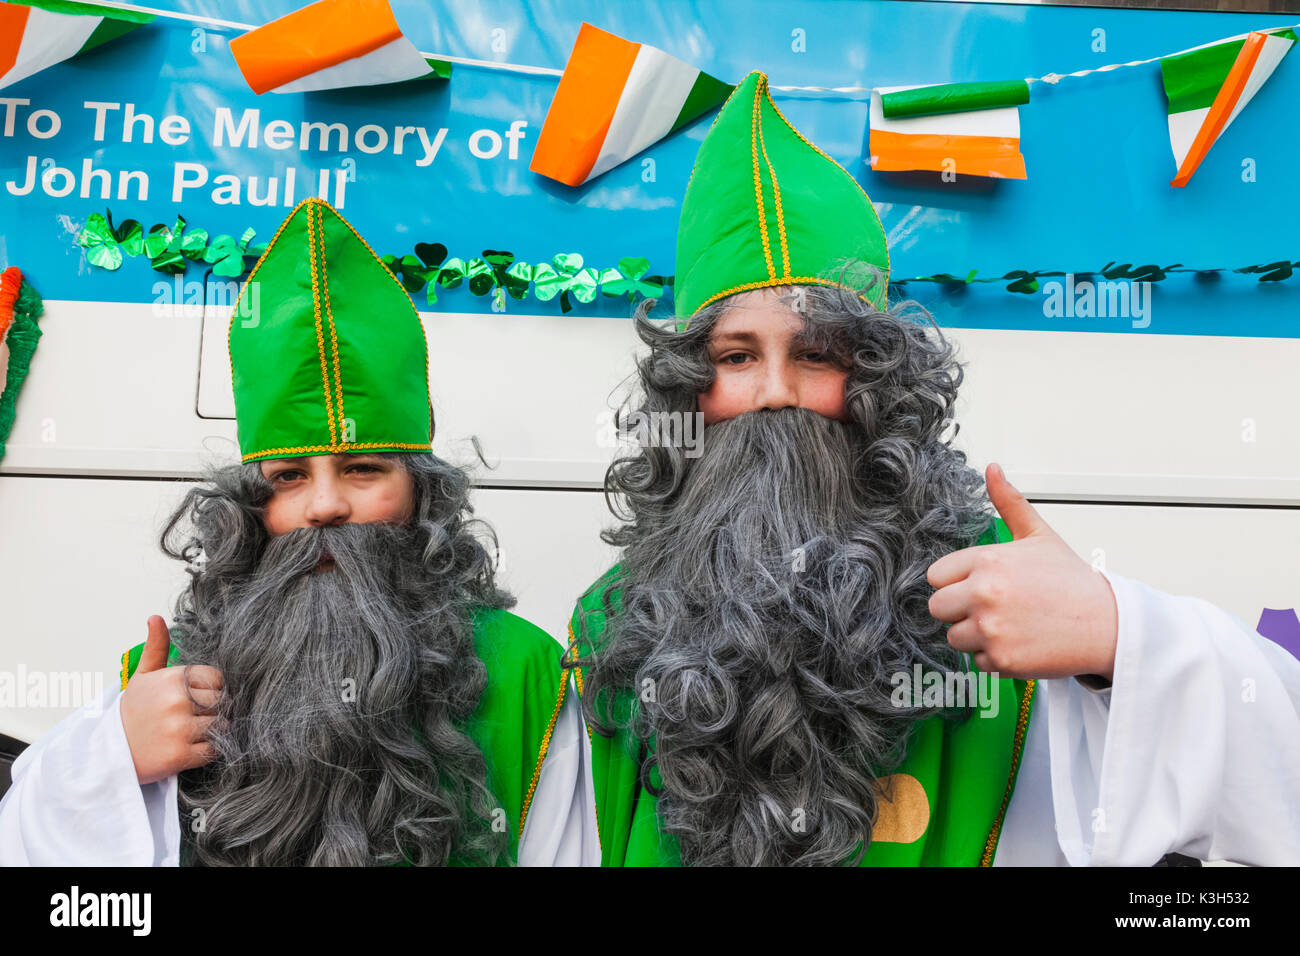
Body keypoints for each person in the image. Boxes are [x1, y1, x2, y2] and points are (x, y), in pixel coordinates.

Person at [566, 71, 1300, 866]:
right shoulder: (613, 621)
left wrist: (1113, 635)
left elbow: (1268, 772)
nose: (776, 392)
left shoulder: (995, 589)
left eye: (815, 355)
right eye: (737, 357)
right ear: (689, 388)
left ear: (876, 381)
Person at [0, 197, 594, 866]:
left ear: (422, 493)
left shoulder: (525, 671)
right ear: (247, 508)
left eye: (363, 469)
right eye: (288, 477)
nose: (325, 506)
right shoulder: (167, 681)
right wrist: (113, 757)